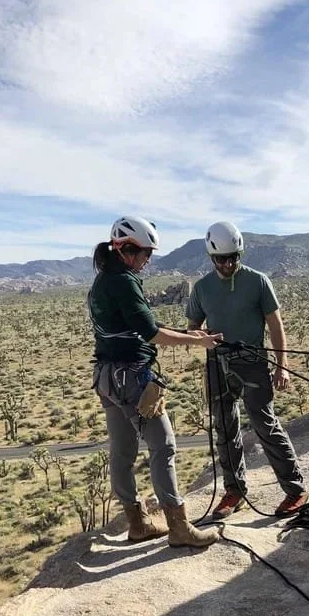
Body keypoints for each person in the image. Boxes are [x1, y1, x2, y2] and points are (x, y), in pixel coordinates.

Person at [89, 215, 222, 547]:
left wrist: (188, 332)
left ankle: (138, 523)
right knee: (163, 446)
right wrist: (198, 342)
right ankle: (179, 527)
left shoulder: (102, 280)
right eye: (145, 254)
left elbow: (140, 321)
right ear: (127, 249)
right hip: (132, 378)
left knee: (122, 451)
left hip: (107, 376)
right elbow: (150, 333)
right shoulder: (124, 280)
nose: (147, 261)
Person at [186, 220, 309, 519]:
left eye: (234, 257)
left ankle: (296, 490)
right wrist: (204, 339)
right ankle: (234, 491)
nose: (228, 264)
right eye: (222, 259)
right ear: (211, 257)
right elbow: (192, 328)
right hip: (218, 364)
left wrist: (283, 366)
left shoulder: (258, 281)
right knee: (225, 429)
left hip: (253, 362)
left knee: (264, 423)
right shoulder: (202, 288)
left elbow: (275, 325)